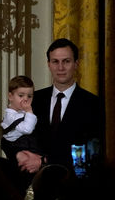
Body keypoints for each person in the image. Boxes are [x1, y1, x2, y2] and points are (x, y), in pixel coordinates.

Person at [17, 38, 101, 173]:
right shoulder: (33, 100)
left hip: (75, 184)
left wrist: (44, 161)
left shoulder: (93, 103)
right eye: (55, 61)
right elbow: (12, 138)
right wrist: (19, 155)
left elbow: (93, 152)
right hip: (34, 181)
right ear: (48, 64)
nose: (60, 67)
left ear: (76, 64)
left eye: (66, 61)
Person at [0, 75, 38, 162]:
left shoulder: (22, 113)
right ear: (10, 97)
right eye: (21, 95)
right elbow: (27, 129)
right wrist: (29, 111)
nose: (25, 99)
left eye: (29, 96)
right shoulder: (11, 116)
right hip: (19, 148)